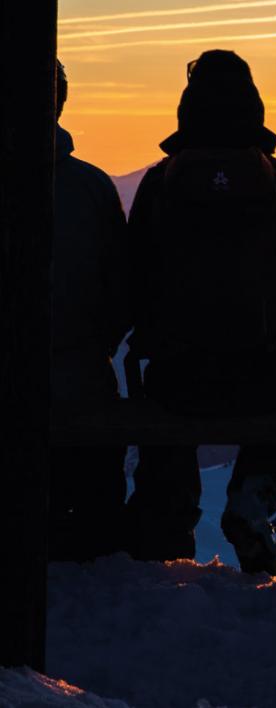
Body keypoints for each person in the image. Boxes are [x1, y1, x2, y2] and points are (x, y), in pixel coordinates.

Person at [126, 50, 276, 574]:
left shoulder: (160, 181)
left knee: (164, 423)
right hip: (265, 376)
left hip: (178, 379)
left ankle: (164, 541)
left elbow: (131, 281)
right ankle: (255, 493)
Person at [51, 59, 129, 560]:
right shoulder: (94, 187)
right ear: (61, 100)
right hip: (80, 381)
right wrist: (94, 349)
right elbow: (124, 288)